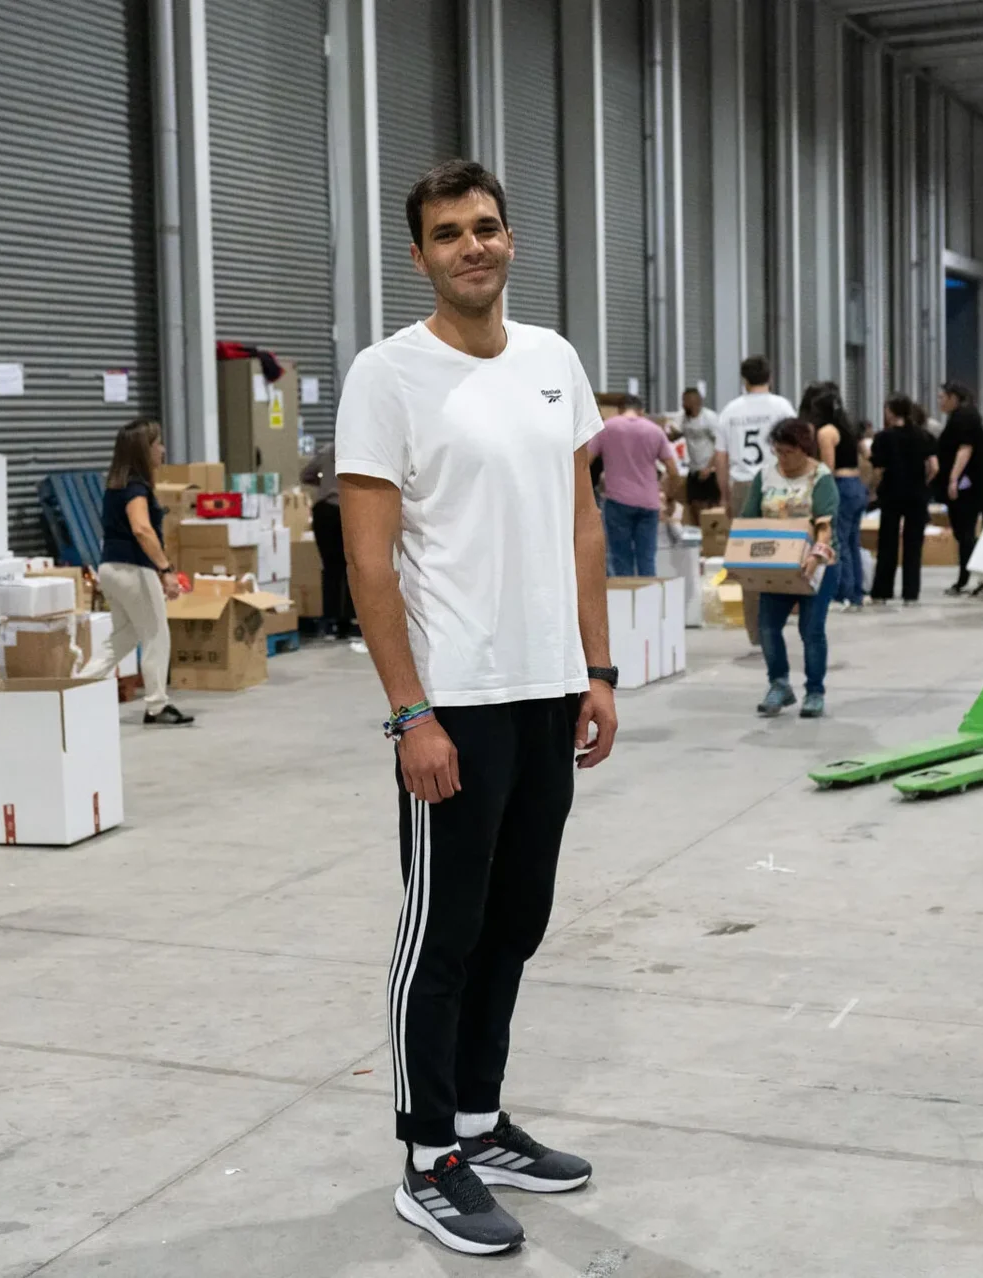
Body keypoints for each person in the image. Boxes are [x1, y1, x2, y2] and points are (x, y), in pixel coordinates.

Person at [336, 159, 616, 1257]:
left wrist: (597, 670)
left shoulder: (553, 360)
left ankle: (479, 1121)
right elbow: (369, 563)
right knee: (441, 933)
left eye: (486, 227)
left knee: (518, 923)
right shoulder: (387, 376)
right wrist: (411, 715)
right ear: (420, 255)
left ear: (511, 239)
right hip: (454, 699)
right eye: (448, 233)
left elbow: (582, 521)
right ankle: (424, 1154)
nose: (472, 246)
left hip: (549, 690)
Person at [77, 420, 194, 725]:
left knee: (124, 637)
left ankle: (73, 687)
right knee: (156, 634)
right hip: (132, 569)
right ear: (144, 449)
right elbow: (141, 528)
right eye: (158, 444)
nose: (163, 450)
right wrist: (166, 569)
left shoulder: (116, 483)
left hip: (111, 568)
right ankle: (156, 705)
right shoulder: (135, 486)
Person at [745, 417, 839, 719]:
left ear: (803, 450)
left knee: (811, 630)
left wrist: (814, 557)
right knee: (768, 627)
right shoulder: (765, 476)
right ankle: (779, 683)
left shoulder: (820, 477)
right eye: (778, 451)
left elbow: (826, 526)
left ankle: (815, 691)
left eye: (788, 452)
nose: (782, 458)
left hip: (815, 565)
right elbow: (750, 519)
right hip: (775, 565)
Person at [715, 356, 796, 644]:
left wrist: (725, 494)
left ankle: (756, 632)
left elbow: (721, 458)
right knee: (779, 555)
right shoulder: (782, 407)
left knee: (748, 559)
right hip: (776, 482)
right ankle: (776, 625)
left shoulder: (729, 412)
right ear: (769, 377)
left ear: (744, 380)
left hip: (743, 485)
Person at [588, 393, 676, 576]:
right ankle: (648, 600)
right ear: (641, 411)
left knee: (620, 558)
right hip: (649, 503)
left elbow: (585, 461)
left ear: (619, 410)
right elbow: (673, 470)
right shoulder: (654, 431)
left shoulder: (607, 428)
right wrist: (669, 496)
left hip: (617, 502)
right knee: (647, 558)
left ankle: (625, 602)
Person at [802, 383, 865, 612]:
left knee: (839, 541)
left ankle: (843, 592)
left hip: (841, 485)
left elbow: (828, 466)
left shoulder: (826, 432)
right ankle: (857, 592)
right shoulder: (847, 428)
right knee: (853, 542)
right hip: (857, 485)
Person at [869, 395, 936, 607]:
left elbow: (878, 469)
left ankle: (882, 592)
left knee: (887, 542)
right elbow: (934, 467)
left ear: (890, 411)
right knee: (913, 544)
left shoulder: (883, 437)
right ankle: (910, 593)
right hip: (916, 494)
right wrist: (922, 482)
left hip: (891, 494)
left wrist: (875, 489)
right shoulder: (923, 435)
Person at [935, 382, 983, 596]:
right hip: (970, 484)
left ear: (953, 398)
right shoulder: (960, 416)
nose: (940, 401)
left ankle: (966, 579)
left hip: (970, 486)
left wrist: (953, 479)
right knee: (964, 533)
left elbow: (965, 449)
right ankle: (970, 577)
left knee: (965, 532)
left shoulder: (964, 417)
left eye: (942, 397)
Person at [301, 441, 356, 639]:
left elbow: (305, 474)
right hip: (350, 512)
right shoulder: (360, 451)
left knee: (331, 568)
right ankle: (348, 622)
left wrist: (325, 483)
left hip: (324, 513)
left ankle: (329, 622)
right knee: (352, 567)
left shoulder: (326, 451)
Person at [678, 386, 720, 525]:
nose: (683, 404)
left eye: (686, 401)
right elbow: (677, 433)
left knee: (712, 506)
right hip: (694, 468)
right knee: (694, 504)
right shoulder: (684, 418)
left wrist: (709, 467)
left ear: (696, 402)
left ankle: (712, 536)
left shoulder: (709, 418)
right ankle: (699, 534)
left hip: (710, 469)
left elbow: (720, 445)